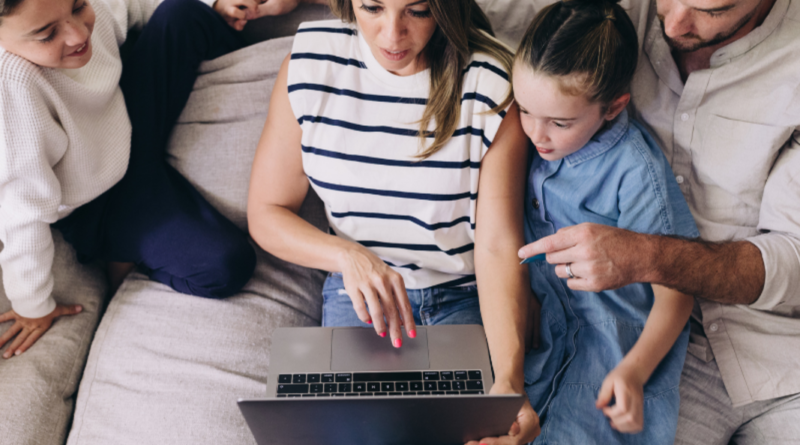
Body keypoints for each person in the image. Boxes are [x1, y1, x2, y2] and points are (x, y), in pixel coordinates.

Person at [247, 0, 540, 442]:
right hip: (360, 297)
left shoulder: (492, 84)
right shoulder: (310, 65)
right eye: (372, 7)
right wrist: (348, 256)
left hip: (459, 299)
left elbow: (498, 247)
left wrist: (509, 384)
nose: (391, 35)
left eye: (417, 11)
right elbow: (267, 213)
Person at [515, 0, 800, 442]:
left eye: (711, 9)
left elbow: (793, 255)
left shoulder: (633, 167)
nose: (675, 21)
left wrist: (648, 256)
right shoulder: (604, 22)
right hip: (639, 351)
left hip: (774, 354)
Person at [0, 0, 273, 359]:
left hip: (126, 121)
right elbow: (22, 215)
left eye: (80, 7)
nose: (79, 33)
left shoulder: (69, 13)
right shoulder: (14, 87)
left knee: (183, 12)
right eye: (47, 34)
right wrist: (32, 305)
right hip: (100, 202)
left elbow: (132, 5)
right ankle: (122, 255)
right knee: (227, 266)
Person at [502, 1, 698, 443]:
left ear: (613, 108)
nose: (537, 133)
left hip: (610, 345)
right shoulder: (530, 137)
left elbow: (678, 292)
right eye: (525, 109)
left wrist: (633, 371)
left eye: (560, 122)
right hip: (542, 332)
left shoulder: (634, 170)